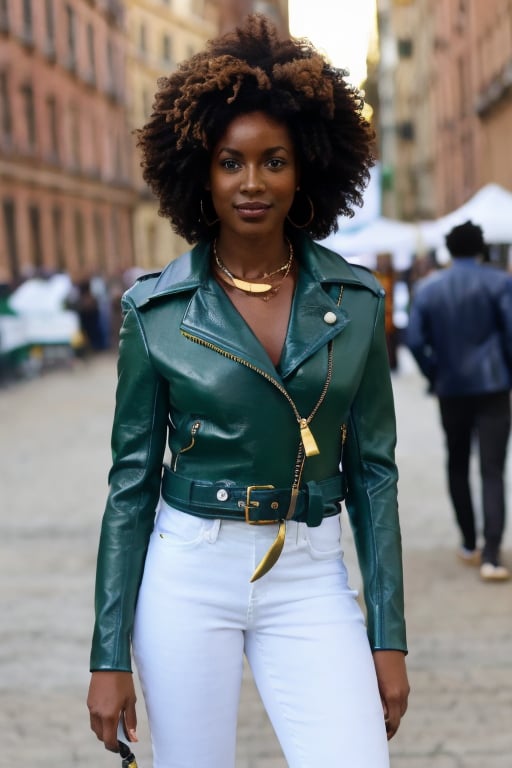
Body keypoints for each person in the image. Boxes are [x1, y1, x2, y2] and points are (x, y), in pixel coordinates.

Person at [87, 15, 409, 767]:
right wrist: (108, 654)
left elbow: (375, 475)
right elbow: (130, 486)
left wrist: (387, 636)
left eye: (275, 161)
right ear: (202, 171)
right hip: (187, 571)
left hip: (310, 570)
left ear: (306, 171)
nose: (253, 182)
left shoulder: (355, 300)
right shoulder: (154, 311)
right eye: (232, 162)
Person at [407, 220, 512, 582]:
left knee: (456, 464)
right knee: (493, 469)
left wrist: (435, 373)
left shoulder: (428, 289)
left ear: (449, 251)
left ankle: (468, 543)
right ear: (481, 248)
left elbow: (416, 341)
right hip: (495, 387)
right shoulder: (501, 282)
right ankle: (492, 557)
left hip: (451, 388)